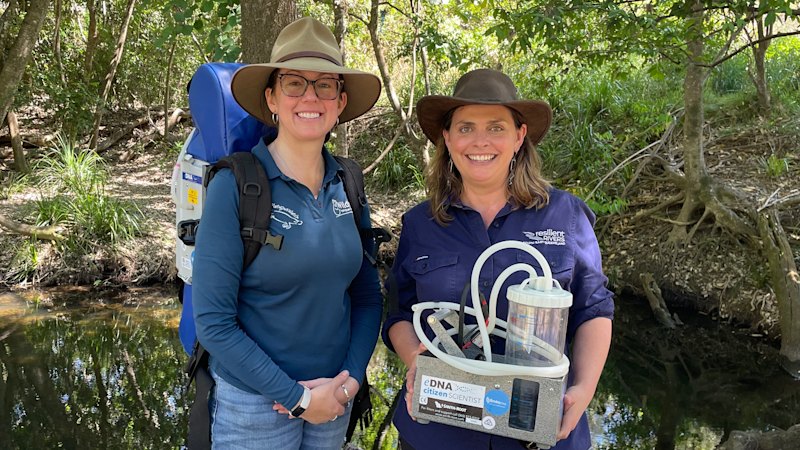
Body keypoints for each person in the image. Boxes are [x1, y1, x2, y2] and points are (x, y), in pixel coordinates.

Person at [381, 69, 614, 450]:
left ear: (519, 136)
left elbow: (594, 309)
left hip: (539, 430)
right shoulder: (420, 224)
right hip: (438, 431)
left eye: (496, 127)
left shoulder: (565, 215)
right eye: (466, 127)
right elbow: (399, 313)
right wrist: (417, 363)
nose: (480, 141)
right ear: (448, 137)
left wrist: (584, 389)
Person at [192, 17, 383, 449]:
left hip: (334, 399)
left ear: (340, 101)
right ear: (271, 98)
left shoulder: (348, 182)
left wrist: (349, 383)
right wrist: (298, 399)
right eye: (294, 83)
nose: (310, 96)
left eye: (325, 85)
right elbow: (214, 324)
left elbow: (367, 296)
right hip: (252, 408)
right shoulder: (236, 186)